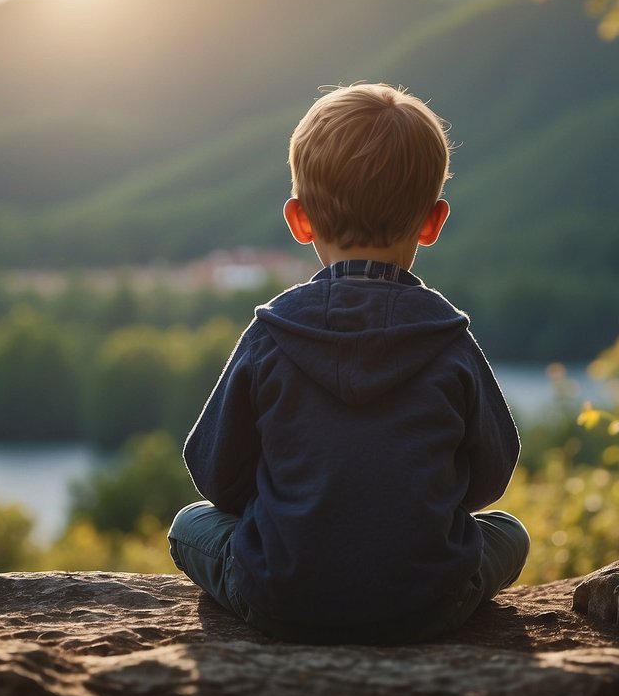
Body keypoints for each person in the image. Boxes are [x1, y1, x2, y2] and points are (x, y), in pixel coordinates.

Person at [167, 83, 528, 645]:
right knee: (509, 533)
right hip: (429, 604)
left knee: (188, 524)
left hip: (281, 600)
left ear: (299, 220)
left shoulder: (272, 334)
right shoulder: (448, 338)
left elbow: (215, 473)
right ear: (433, 222)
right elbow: (491, 475)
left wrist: (296, 515)